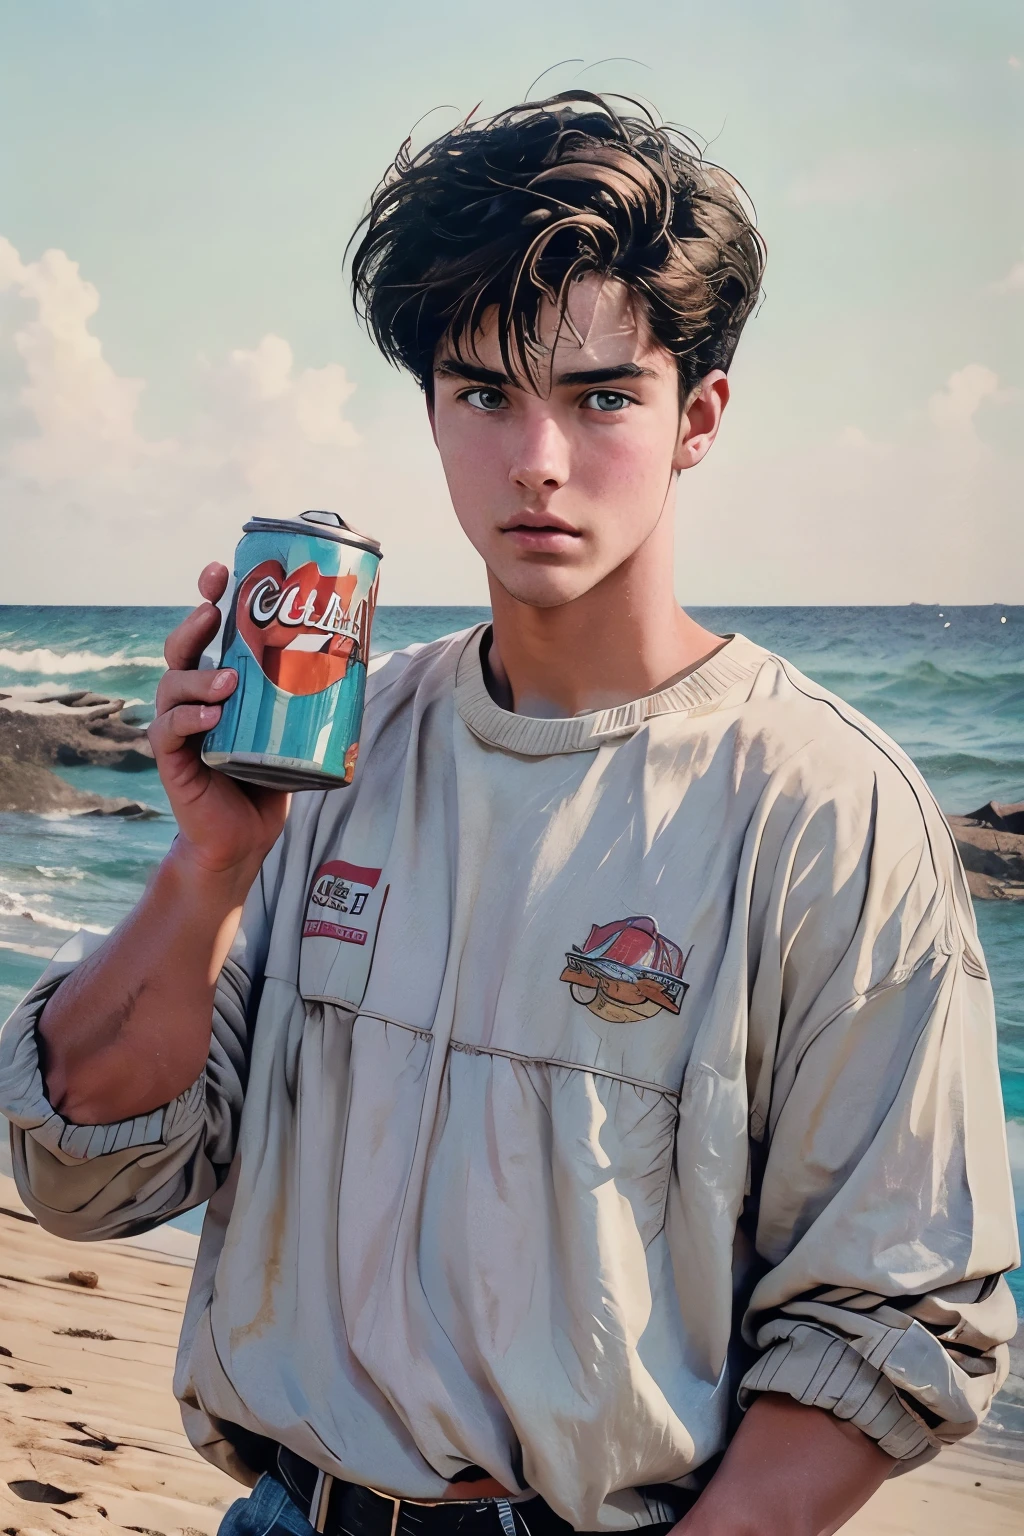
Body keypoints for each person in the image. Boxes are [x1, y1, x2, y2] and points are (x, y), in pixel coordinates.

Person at [0, 91, 1019, 1536]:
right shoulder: (348, 754)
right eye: (483, 393)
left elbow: (893, 1313)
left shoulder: (826, 809)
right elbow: (89, 1175)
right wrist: (208, 867)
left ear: (698, 417)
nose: (537, 458)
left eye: (603, 397)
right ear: (430, 411)